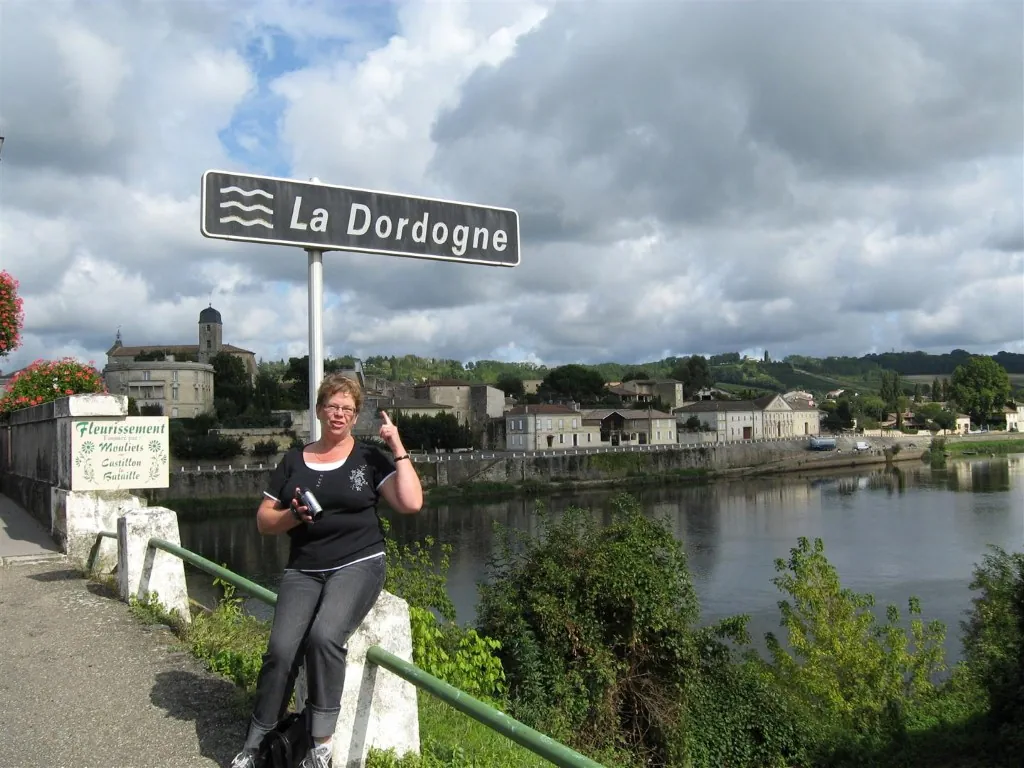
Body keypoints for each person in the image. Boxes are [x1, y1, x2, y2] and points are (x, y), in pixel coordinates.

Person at [231, 374, 423, 768]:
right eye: (332, 406)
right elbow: (265, 522)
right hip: (304, 567)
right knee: (281, 652)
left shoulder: (369, 458)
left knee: (323, 637)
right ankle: (255, 745)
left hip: (359, 562)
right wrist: (292, 515)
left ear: (355, 417)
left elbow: (411, 503)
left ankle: (320, 745)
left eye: (347, 409)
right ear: (319, 410)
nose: (339, 414)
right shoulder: (293, 461)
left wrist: (396, 445)